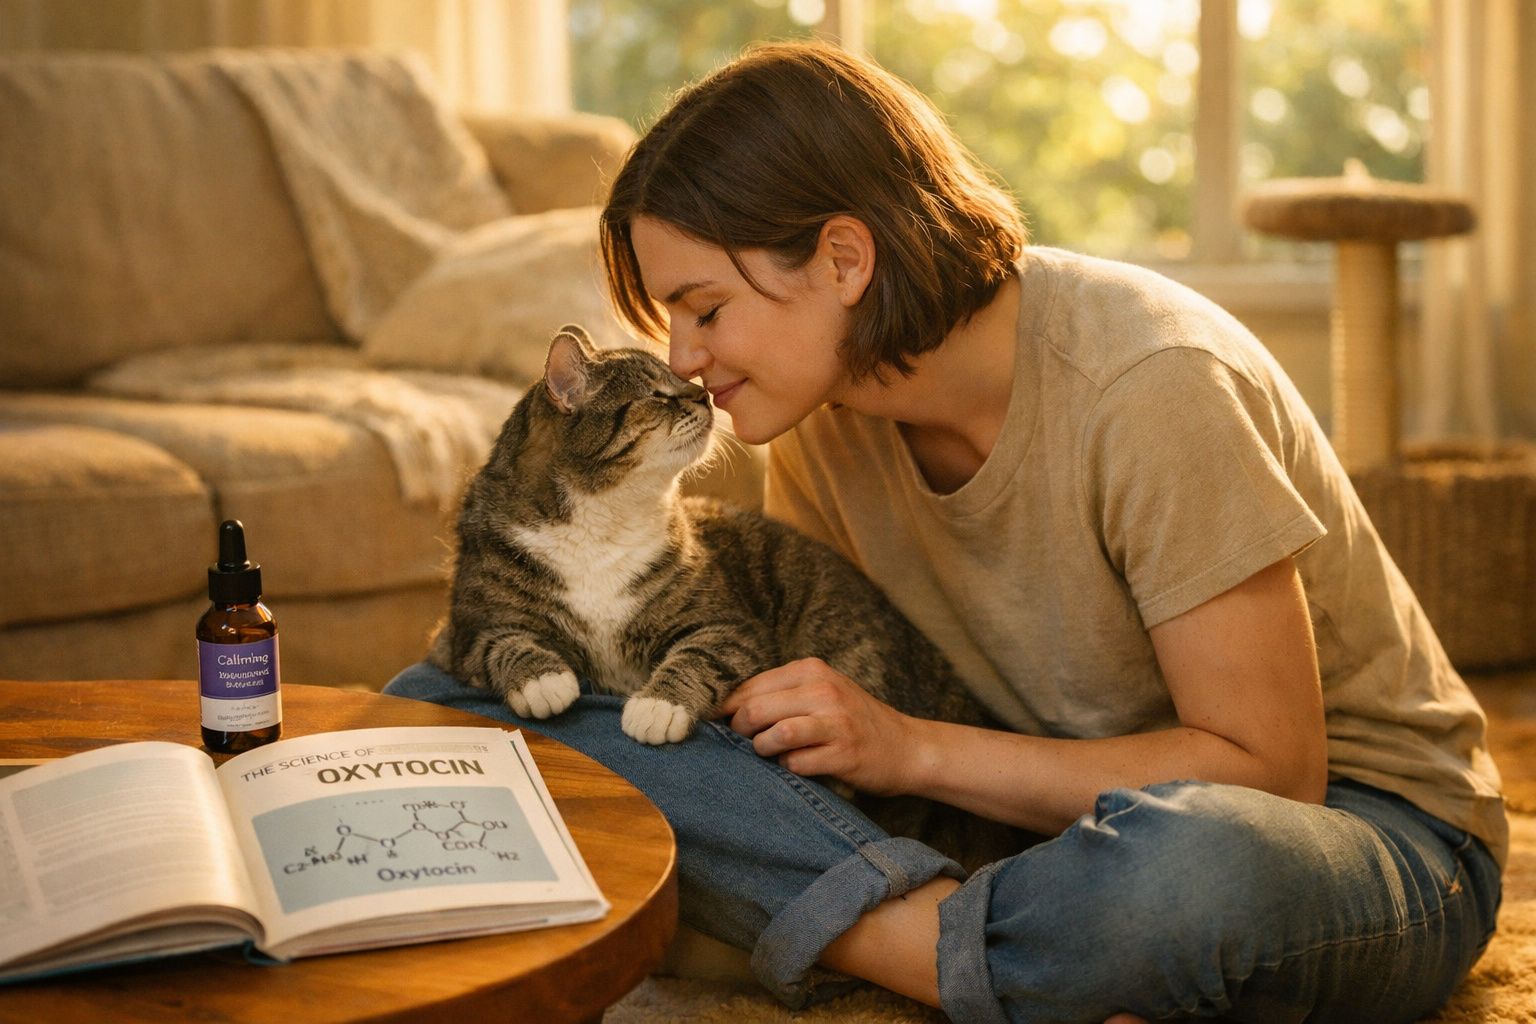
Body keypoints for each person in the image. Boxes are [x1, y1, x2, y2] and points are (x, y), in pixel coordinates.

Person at [386, 41, 1506, 1022]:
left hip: (1359, 836)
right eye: (669, 319)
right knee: (449, 704)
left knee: (1189, 879)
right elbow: (793, 732)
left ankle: (891, 939)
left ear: (842, 258)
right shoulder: (821, 423)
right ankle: (1012, 956)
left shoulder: (1154, 380)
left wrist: (905, 750)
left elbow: (1274, 773)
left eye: (706, 309)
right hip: (1017, 836)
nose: (681, 359)